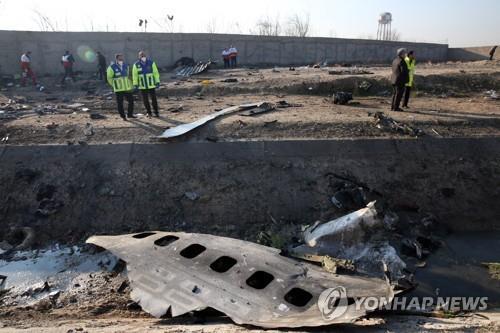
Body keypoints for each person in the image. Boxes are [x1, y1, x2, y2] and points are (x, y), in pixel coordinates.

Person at [107, 54, 135, 121]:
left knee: (131, 101)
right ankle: (123, 116)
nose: (121, 59)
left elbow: (127, 76)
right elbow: (109, 78)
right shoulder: (112, 67)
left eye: (122, 58)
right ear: (116, 59)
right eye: (120, 58)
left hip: (126, 88)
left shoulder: (126, 66)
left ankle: (130, 114)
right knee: (120, 103)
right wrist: (114, 85)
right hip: (118, 89)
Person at [132, 50, 160, 117]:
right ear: (139, 56)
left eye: (143, 55)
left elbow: (155, 73)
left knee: (154, 99)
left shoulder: (151, 63)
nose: (143, 56)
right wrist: (135, 84)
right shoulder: (136, 65)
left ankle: (156, 112)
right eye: (141, 55)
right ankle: (149, 112)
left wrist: (157, 81)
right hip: (142, 85)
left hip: (151, 84)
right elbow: (135, 75)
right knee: (145, 100)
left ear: (145, 55)